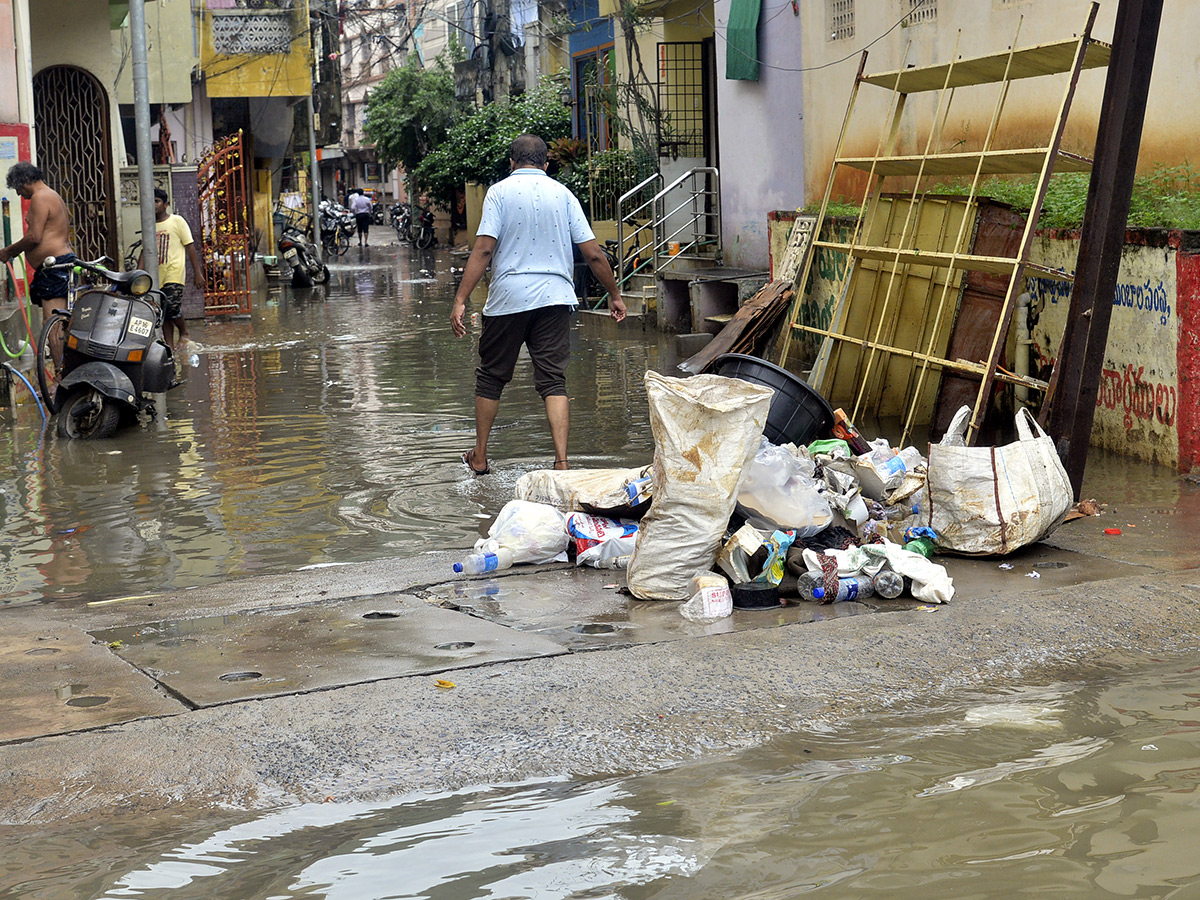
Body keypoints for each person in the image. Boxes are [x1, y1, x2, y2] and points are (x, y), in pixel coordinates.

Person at [450, 133, 627, 476]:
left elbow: (484, 250)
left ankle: (481, 457)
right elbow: (592, 253)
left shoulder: (499, 192)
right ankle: (562, 462)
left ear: (511, 162)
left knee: (491, 377)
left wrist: (460, 300)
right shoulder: (563, 194)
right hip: (555, 298)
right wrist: (615, 295)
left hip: (508, 299)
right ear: (546, 165)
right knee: (553, 381)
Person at [0, 161, 75, 340]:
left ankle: (59, 368)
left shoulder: (40, 197)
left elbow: (35, 236)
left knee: (53, 324)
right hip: (58, 265)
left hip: (55, 267)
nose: (19, 193)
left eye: (19, 188)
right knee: (57, 321)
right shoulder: (51, 194)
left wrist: (9, 251)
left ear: (26, 180)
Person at [145, 188, 205, 353]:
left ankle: (184, 331)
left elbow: (190, 246)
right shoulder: (148, 225)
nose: (153, 205)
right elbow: (145, 250)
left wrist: (197, 273)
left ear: (166, 204)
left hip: (174, 272)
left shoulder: (177, 221)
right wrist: (138, 274)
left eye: (157, 201)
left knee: (171, 306)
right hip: (157, 276)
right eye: (151, 201)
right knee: (163, 312)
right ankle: (170, 347)